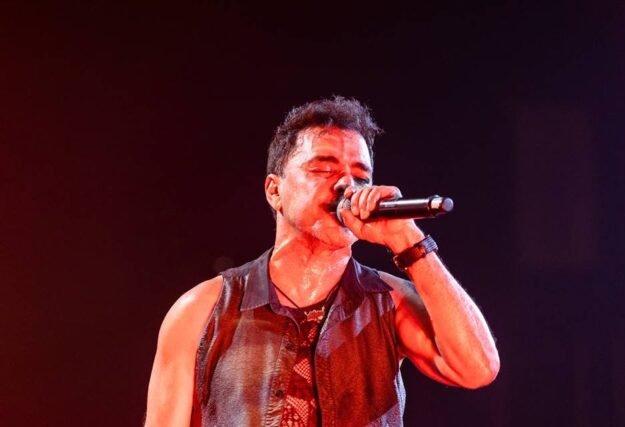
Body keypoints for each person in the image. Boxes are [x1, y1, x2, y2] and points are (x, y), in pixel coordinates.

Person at [145, 96, 500, 427]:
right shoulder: (203, 309)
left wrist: (408, 241)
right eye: (324, 169)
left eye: (361, 176)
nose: (348, 185)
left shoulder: (389, 302)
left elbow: (477, 369)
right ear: (274, 191)